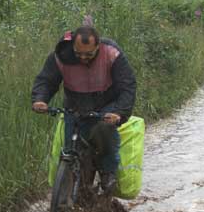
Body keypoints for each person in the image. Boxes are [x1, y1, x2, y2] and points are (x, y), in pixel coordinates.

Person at [31, 20, 136, 194]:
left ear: (98, 46)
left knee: (105, 129)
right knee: (70, 149)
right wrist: (40, 99)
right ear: (73, 45)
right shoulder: (60, 55)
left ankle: (108, 172)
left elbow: (127, 87)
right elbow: (46, 80)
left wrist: (118, 112)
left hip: (105, 106)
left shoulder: (111, 54)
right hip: (75, 107)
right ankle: (71, 189)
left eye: (89, 55)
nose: (83, 58)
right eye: (78, 54)